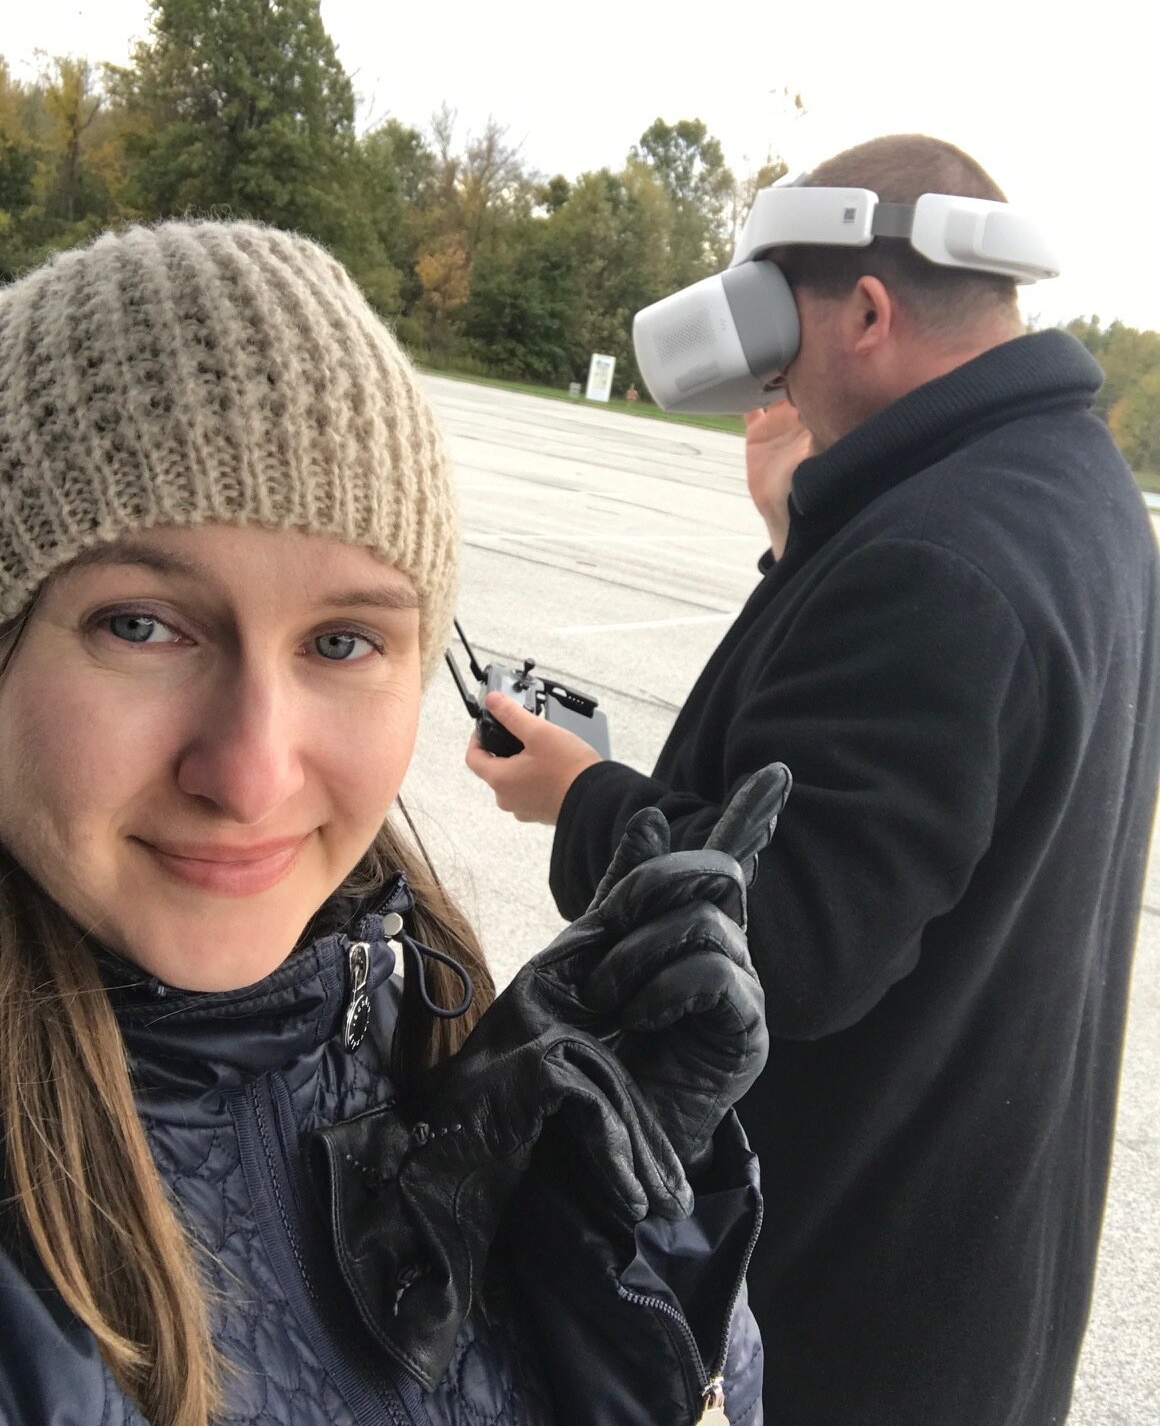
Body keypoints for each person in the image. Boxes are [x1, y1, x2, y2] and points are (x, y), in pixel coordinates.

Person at [0, 220, 776, 1426]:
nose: (251, 773)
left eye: (342, 639)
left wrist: (612, 1249)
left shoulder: (409, 1006)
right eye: (140, 623)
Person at [465, 135, 1160, 1424]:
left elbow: (779, 939)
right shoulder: (1076, 499)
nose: (770, 373)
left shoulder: (939, 560)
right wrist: (810, 532)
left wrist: (579, 793)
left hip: (846, 1310)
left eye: (779, 325)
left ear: (869, 309)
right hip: (970, 1275)